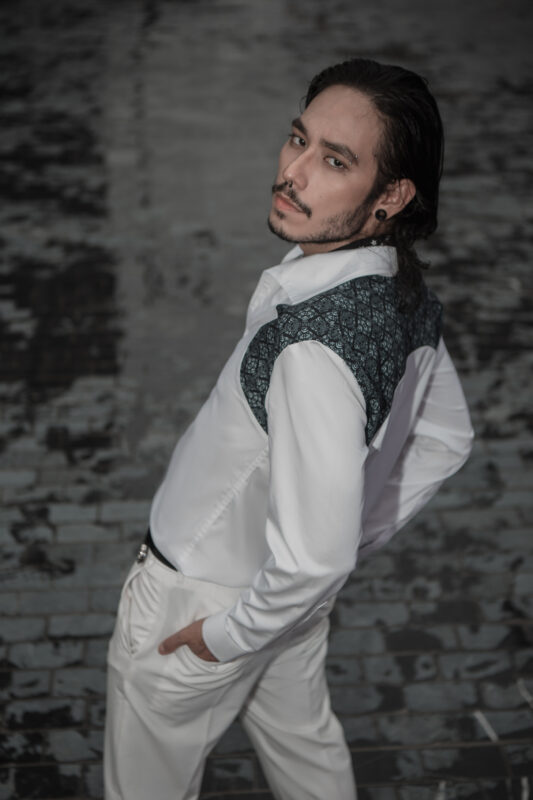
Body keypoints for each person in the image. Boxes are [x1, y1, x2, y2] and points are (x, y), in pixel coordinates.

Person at [104, 58, 474, 800]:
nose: (292, 173)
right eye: (298, 140)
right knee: (309, 762)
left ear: (391, 195)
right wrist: (344, 534)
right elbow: (446, 439)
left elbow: (315, 558)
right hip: (281, 607)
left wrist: (227, 634)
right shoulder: (400, 290)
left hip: (198, 605)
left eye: (335, 161)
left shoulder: (311, 348)